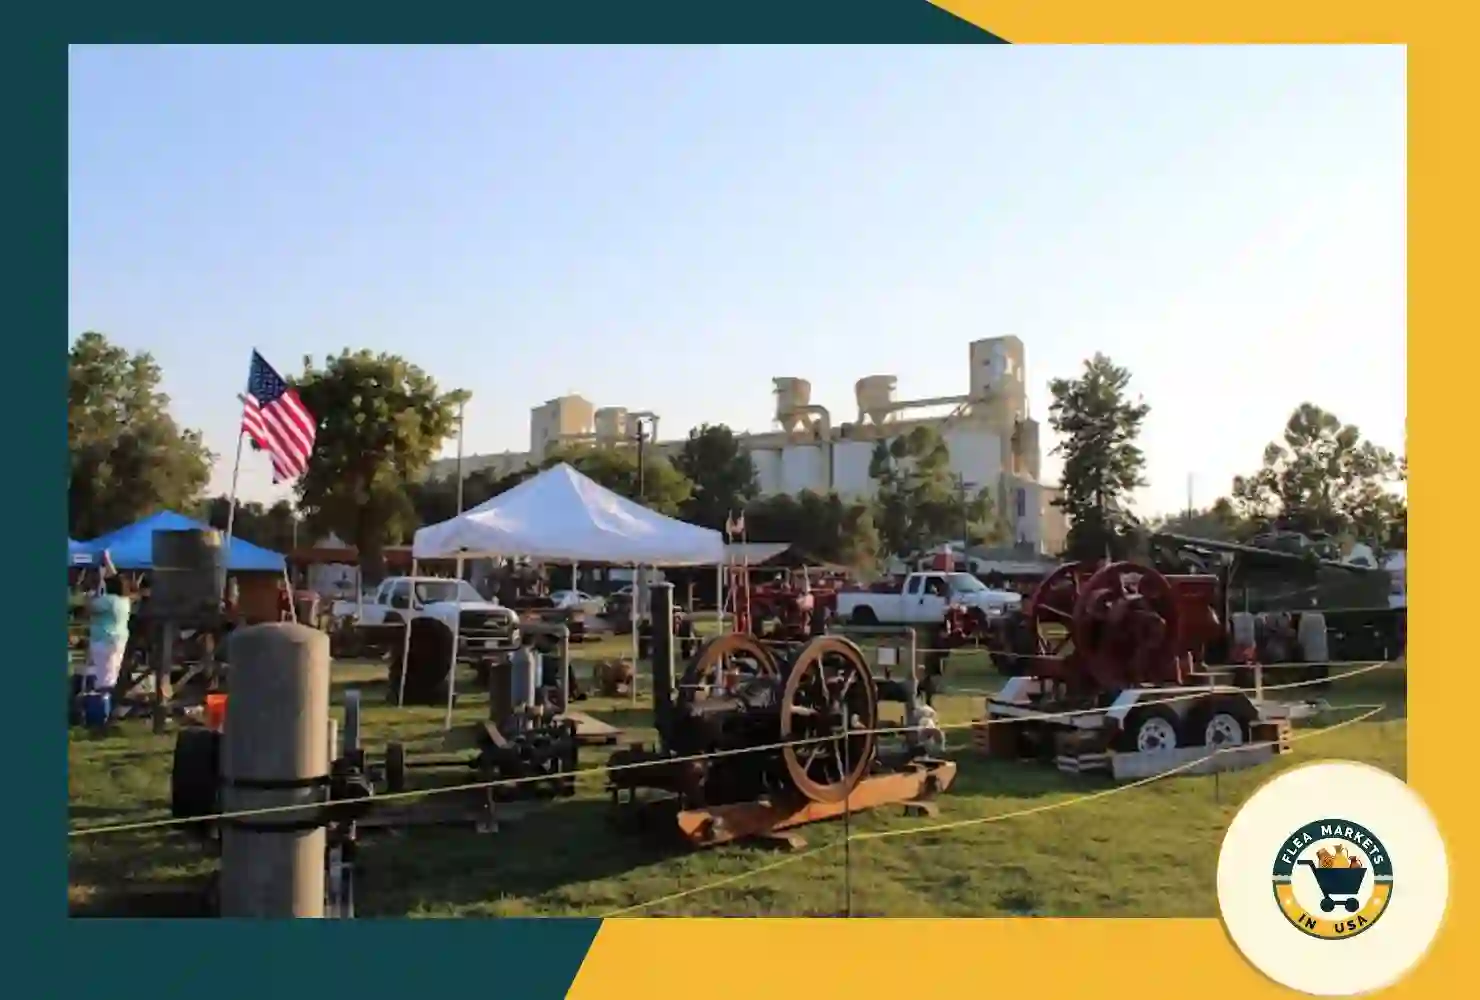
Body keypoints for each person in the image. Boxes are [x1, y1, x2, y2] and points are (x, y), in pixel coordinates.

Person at [86, 550, 132, 694]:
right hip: (118, 639)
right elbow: (115, 579)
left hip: (104, 640)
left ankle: (101, 703)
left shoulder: (108, 601)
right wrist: (107, 560)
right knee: (111, 672)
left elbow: (90, 606)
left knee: (103, 675)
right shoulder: (125, 601)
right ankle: (105, 699)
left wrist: (94, 590)